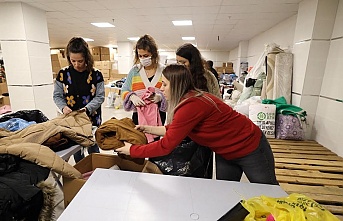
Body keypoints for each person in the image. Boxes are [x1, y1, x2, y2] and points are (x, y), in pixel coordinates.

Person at [117, 64, 279, 185]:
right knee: (227, 193)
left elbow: (166, 146)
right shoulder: (189, 98)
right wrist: (148, 128)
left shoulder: (191, 104)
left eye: (165, 84)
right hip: (225, 152)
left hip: (249, 147)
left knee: (268, 192)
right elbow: (177, 129)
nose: (162, 89)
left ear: (177, 85)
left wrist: (132, 150)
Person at [53, 37, 105, 163]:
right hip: (72, 121)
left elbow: (100, 96)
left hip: (91, 119)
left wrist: (87, 109)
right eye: (73, 61)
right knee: (77, 151)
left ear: (86, 58)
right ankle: (81, 174)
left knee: (93, 148)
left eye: (80, 61)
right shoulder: (63, 74)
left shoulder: (96, 74)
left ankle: (97, 171)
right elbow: (57, 96)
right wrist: (63, 107)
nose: (76, 64)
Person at [121, 34, 167, 130]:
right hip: (139, 115)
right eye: (140, 56)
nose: (143, 58)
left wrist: (160, 97)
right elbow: (124, 90)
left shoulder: (164, 71)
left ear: (153, 54)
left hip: (157, 116)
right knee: (139, 141)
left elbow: (172, 93)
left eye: (146, 56)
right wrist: (132, 97)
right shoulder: (135, 71)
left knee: (155, 143)